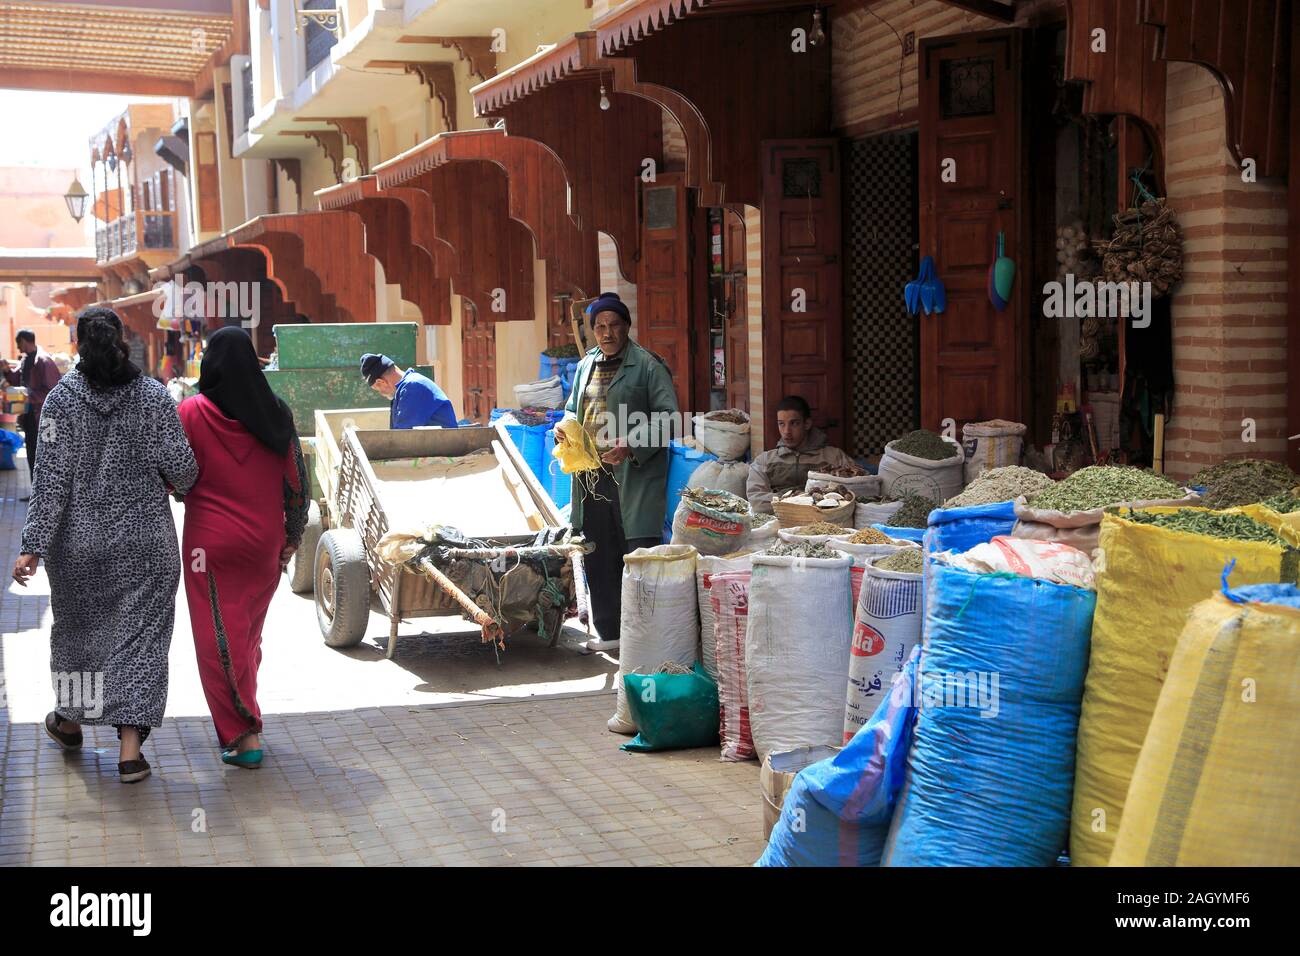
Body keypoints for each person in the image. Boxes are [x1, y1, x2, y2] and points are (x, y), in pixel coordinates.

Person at [11, 307, 197, 784]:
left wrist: (32, 545)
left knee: (80, 641)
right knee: (141, 645)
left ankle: (71, 722)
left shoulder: (59, 404)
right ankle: (129, 753)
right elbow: (184, 472)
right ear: (121, 342)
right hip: (146, 547)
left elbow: (49, 482)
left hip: (79, 548)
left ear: (78, 345)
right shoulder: (154, 398)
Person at [178, 327, 309, 769]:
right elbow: (297, 482)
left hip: (208, 548)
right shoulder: (276, 413)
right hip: (263, 545)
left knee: (218, 641)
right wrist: (291, 538)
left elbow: (176, 478)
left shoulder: (191, 413)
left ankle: (242, 734)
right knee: (247, 637)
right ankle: (247, 716)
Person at [555, 292, 679, 653]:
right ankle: (610, 633)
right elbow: (572, 408)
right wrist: (565, 425)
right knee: (599, 551)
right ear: (593, 330)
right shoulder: (586, 365)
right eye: (599, 327)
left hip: (633, 476)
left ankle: (645, 638)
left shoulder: (647, 365)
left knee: (637, 553)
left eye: (613, 325)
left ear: (626, 327)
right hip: (591, 475)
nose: (606, 333)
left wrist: (632, 443)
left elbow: (669, 417)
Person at [747, 395, 857, 514]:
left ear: (807, 424)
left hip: (824, 520)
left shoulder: (834, 456)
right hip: (779, 520)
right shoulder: (764, 461)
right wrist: (793, 500)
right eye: (781, 424)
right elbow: (756, 500)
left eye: (794, 423)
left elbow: (856, 490)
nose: (786, 431)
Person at [1, 329, 62, 496]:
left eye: (18, 343)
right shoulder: (26, 359)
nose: (17, 347)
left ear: (25, 341)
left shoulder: (43, 361)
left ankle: (47, 495)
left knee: (45, 458)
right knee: (32, 456)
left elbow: (53, 391)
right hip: (29, 418)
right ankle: (36, 494)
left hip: (43, 419)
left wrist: (29, 396)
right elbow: (18, 380)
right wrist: (6, 371)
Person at [360, 352, 458, 429]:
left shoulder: (413, 387)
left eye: (377, 389)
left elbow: (403, 436)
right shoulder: (404, 388)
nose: (380, 393)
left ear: (381, 382)